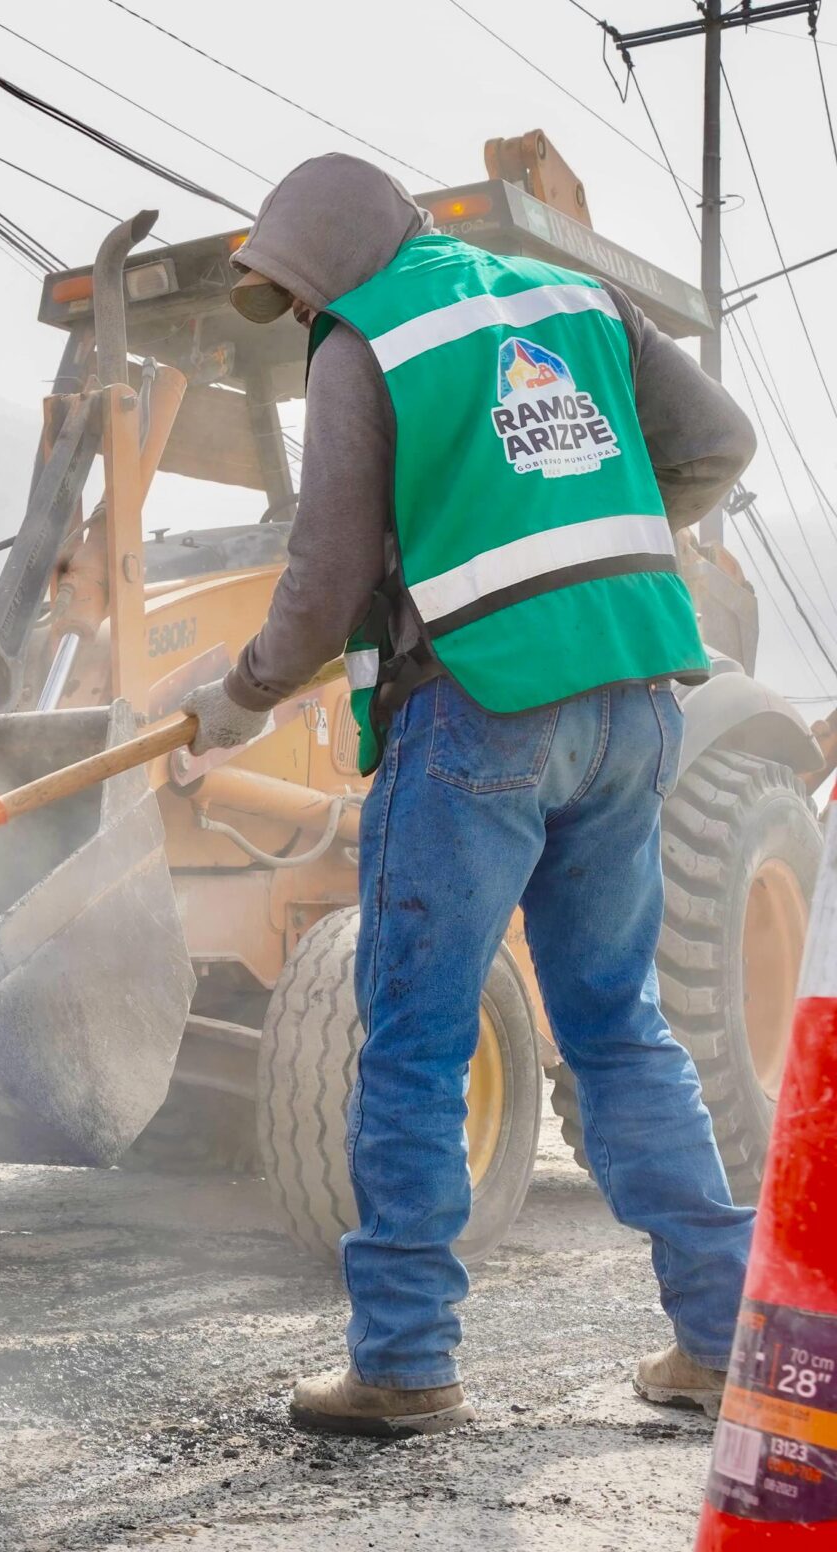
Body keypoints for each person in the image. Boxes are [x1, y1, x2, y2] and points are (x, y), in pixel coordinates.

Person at [181, 155, 760, 1436]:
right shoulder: (575, 300)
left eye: (296, 291)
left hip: (479, 708)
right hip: (633, 693)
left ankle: (402, 1360)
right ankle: (722, 1342)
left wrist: (240, 695)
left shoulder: (364, 340)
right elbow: (718, 442)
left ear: (331, 264)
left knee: (414, 1039)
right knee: (617, 1025)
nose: (304, 315)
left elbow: (325, 573)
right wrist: (602, 532)